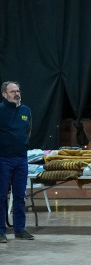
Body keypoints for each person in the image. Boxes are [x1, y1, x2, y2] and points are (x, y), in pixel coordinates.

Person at [0, 81, 33, 242]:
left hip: (21, 159)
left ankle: (20, 229)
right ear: (4, 94)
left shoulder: (26, 111)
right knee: (1, 196)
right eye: (13, 91)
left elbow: (28, 131)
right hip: (3, 159)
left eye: (18, 91)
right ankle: (1, 231)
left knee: (20, 196)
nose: (17, 94)